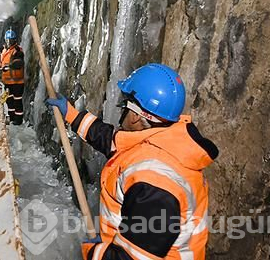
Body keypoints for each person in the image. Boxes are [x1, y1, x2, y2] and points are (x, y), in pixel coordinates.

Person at [45, 63, 218, 260]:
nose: (122, 113)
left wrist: (96, 253)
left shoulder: (156, 183)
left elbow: (135, 258)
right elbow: (111, 140)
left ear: (136, 116)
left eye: (125, 105)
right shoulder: (163, 140)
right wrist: (71, 114)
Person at [0, 29, 25, 125]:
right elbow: (2, 62)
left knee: (17, 101)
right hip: (7, 82)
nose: (9, 43)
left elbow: (19, 62)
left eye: (11, 41)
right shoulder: (5, 50)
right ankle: (12, 117)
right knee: (9, 101)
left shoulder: (17, 51)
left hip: (17, 82)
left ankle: (18, 120)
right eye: (7, 40)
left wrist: (9, 66)